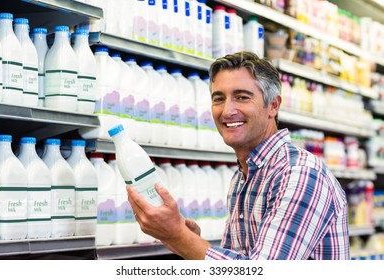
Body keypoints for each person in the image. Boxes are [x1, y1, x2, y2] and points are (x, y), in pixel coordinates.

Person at [127, 51, 350, 260]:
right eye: (218, 99)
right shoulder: (243, 177)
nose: (227, 111)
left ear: (273, 105)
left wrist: (178, 235)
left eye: (242, 97)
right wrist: (180, 238)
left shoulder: (299, 174)